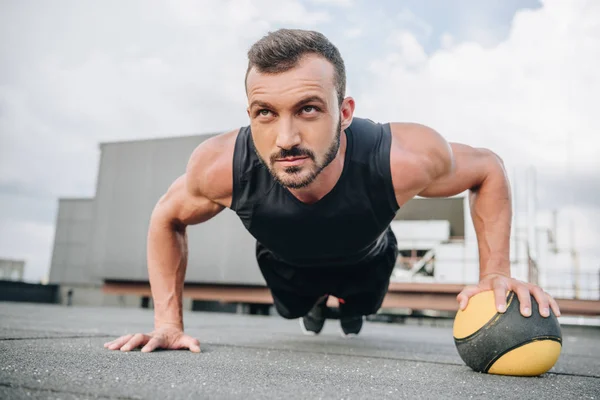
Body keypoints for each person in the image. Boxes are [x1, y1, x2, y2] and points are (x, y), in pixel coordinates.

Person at [104, 29, 561, 353]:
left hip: (369, 258)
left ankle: (346, 304)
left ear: (344, 112)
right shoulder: (221, 167)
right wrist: (167, 323)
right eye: (265, 112)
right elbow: (167, 216)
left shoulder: (402, 156)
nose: (285, 138)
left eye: (307, 109)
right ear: (249, 113)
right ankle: (315, 304)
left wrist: (494, 273)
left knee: (361, 308)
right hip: (285, 265)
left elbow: (487, 168)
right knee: (295, 309)